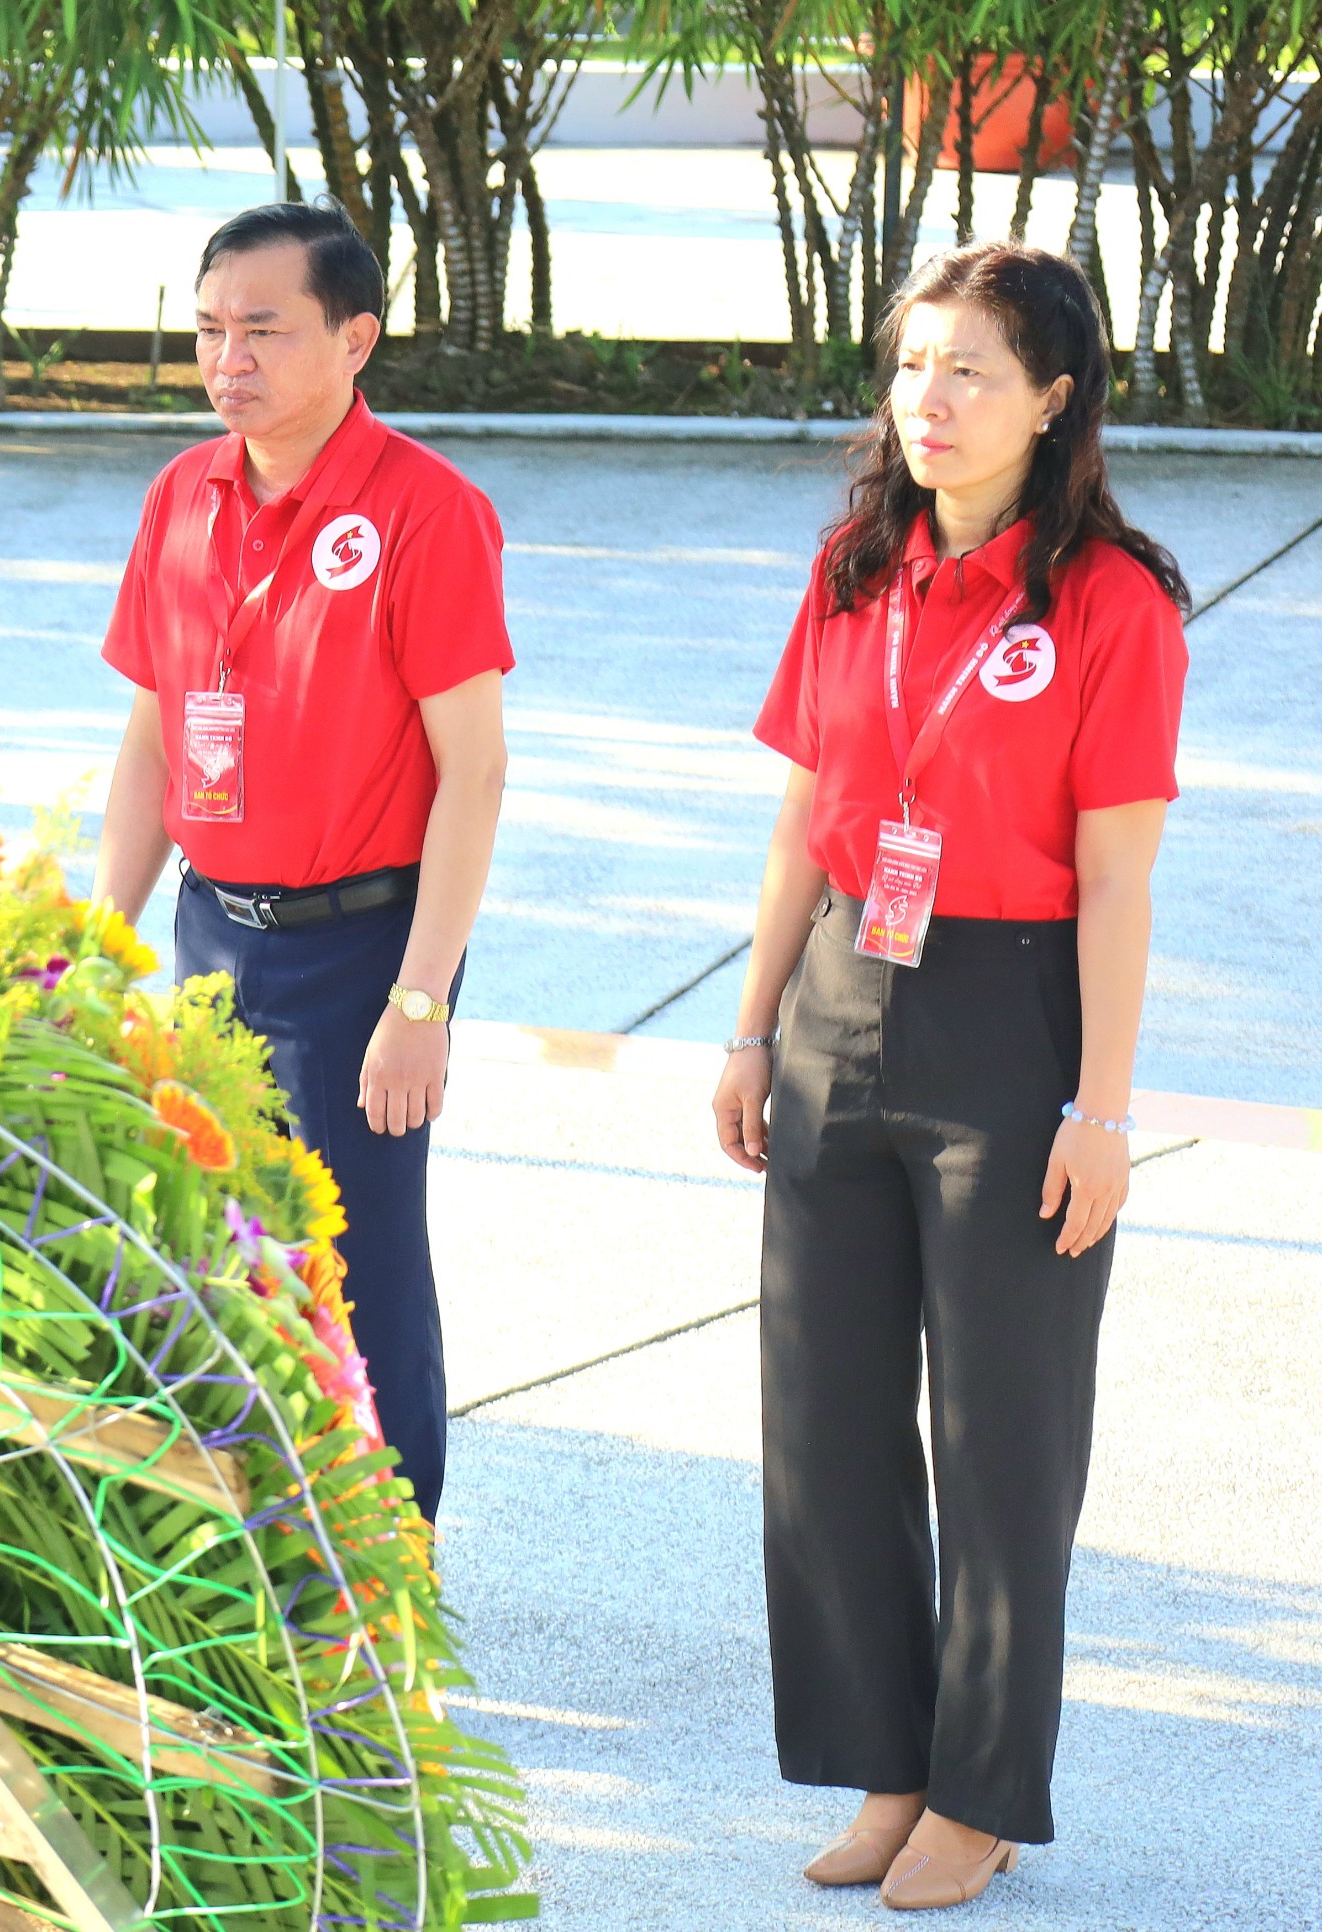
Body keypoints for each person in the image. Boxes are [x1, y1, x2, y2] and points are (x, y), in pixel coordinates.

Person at [711, 243, 1189, 1912]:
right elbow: (798, 819)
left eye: (974, 369)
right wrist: (756, 1021)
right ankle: (887, 1764)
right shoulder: (855, 572)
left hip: (1013, 1012)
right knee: (824, 1423)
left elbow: (1121, 877)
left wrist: (1104, 1110)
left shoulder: (1113, 600)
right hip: (844, 985)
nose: (933, 401)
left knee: (1001, 1437)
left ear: (1055, 398)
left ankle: (982, 1792)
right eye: (915, 367)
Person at [92, 200, 512, 1525]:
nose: (232, 360)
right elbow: (155, 740)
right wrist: (101, 944)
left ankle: (386, 1593)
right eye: (212, 331)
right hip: (217, 937)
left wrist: (420, 1001)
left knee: (364, 1278)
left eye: (265, 330)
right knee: (230, 1262)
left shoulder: (427, 513)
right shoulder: (183, 496)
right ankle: (264, 1565)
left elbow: (475, 773)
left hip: (362, 956)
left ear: (356, 339)